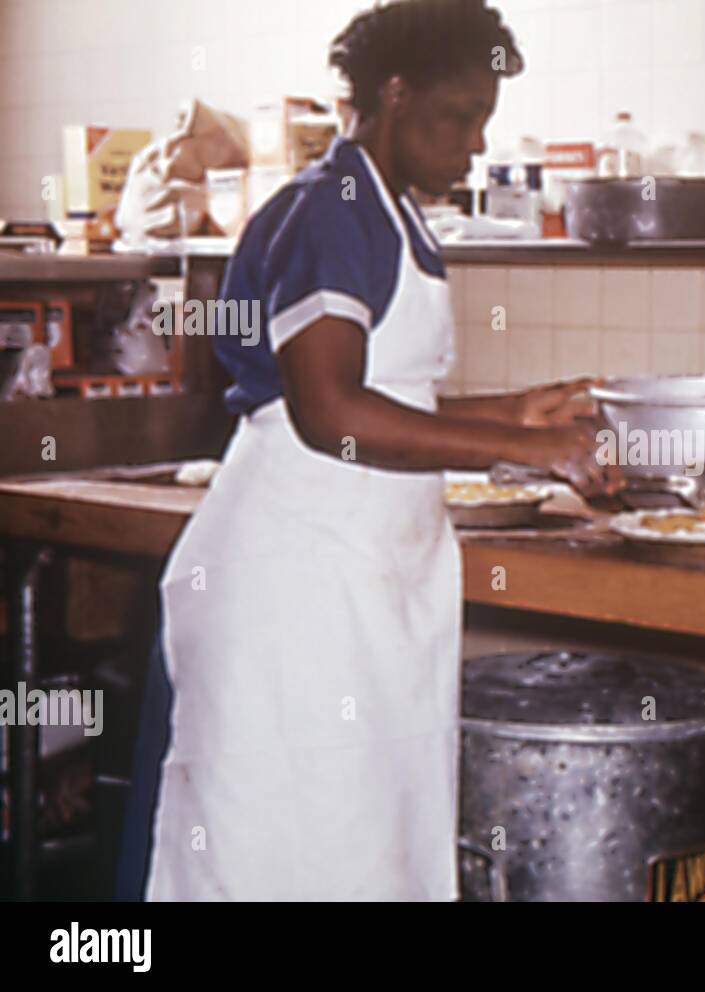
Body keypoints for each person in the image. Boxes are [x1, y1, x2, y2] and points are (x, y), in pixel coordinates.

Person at [122, 0, 616, 901]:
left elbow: (383, 393)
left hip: (355, 582)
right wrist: (527, 448)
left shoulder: (384, 210)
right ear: (395, 93)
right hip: (297, 591)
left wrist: (514, 414)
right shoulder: (330, 210)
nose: (472, 145)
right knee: (287, 857)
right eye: (461, 116)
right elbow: (329, 411)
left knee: (361, 851)